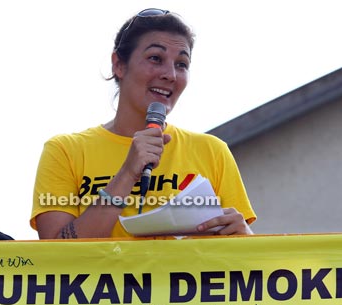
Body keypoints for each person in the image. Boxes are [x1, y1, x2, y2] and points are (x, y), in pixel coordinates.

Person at [30, 9, 256, 239]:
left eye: (181, 64)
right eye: (155, 58)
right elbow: (57, 256)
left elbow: (244, 263)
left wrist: (245, 236)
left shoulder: (212, 151)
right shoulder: (65, 151)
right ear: (118, 64)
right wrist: (128, 173)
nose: (170, 75)